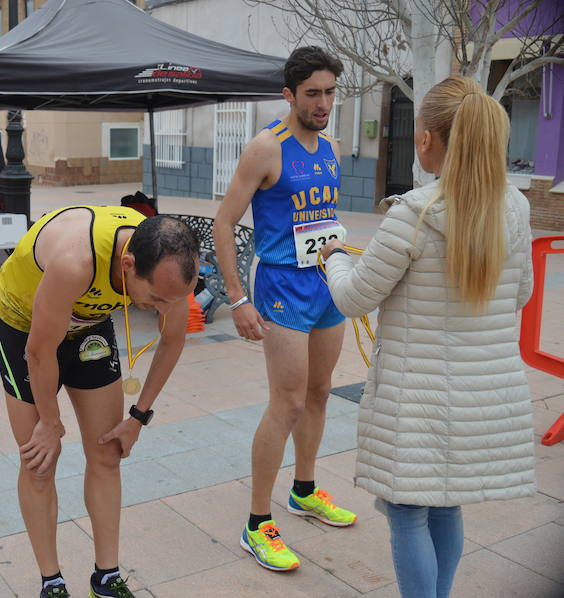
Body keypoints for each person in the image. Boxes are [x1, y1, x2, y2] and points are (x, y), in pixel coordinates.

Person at [320, 75, 535, 598]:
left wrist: (334, 260)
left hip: (418, 396)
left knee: (407, 510)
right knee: (445, 502)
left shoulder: (414, 214)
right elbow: (520, 295)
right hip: (483, 393)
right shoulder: (515, 207)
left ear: (427, 139)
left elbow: (353, 298)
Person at [0, 206, 199, 598]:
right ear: (128, 264)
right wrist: (50, 423)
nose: (161, 308)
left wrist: (138, 417)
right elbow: (40, 352)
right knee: (38, 460)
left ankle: (106, 578)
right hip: (25, 326)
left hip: (88, 320)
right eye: (154, 298)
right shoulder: (76, 262)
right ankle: (51, 582)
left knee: (107, 453)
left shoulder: (171, 271)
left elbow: (174, 339)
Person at [213, 46, 355, 573]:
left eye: (330, 93)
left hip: (325, 285)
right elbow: (225, 222)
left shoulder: (333, 147)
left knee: (320, 393)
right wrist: (237, 297)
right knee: (287, 404)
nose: (323, 103)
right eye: (313, 93)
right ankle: (257, 523)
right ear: (289, 94)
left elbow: (322, 216)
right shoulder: (264, 149)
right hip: (279, 290)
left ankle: (305, 489)